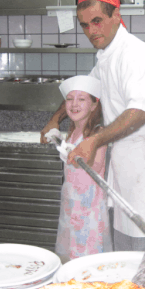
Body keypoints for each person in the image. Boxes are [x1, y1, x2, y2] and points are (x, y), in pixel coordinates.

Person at [41, 0, 145, 252]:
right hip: (127, 165)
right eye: (85, 25)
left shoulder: (136, 55)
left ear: (115, 16)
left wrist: (95, 140)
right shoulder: (106, 57)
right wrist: (55, 120)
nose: (91, 31)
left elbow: (141, 112)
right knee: (128, 251)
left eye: (97, 21)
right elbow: (84, 90)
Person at [49, 75, 112, 263]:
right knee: (70, 250)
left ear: (94, 105)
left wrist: (74, 154)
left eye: (82, 99)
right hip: (71, 201)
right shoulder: (73, 131)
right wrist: (58, 140)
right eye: (70, 99)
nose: (74, 104)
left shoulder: (98, 133)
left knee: (88, 254)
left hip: (89, 205)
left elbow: (97, 166)